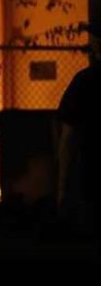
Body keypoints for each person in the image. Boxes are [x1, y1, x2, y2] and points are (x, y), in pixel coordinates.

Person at [57, 22, 101, 239]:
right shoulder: (84, 81)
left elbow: (68, 136)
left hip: (91, 172)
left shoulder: (85, 81)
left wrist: (62, 187)